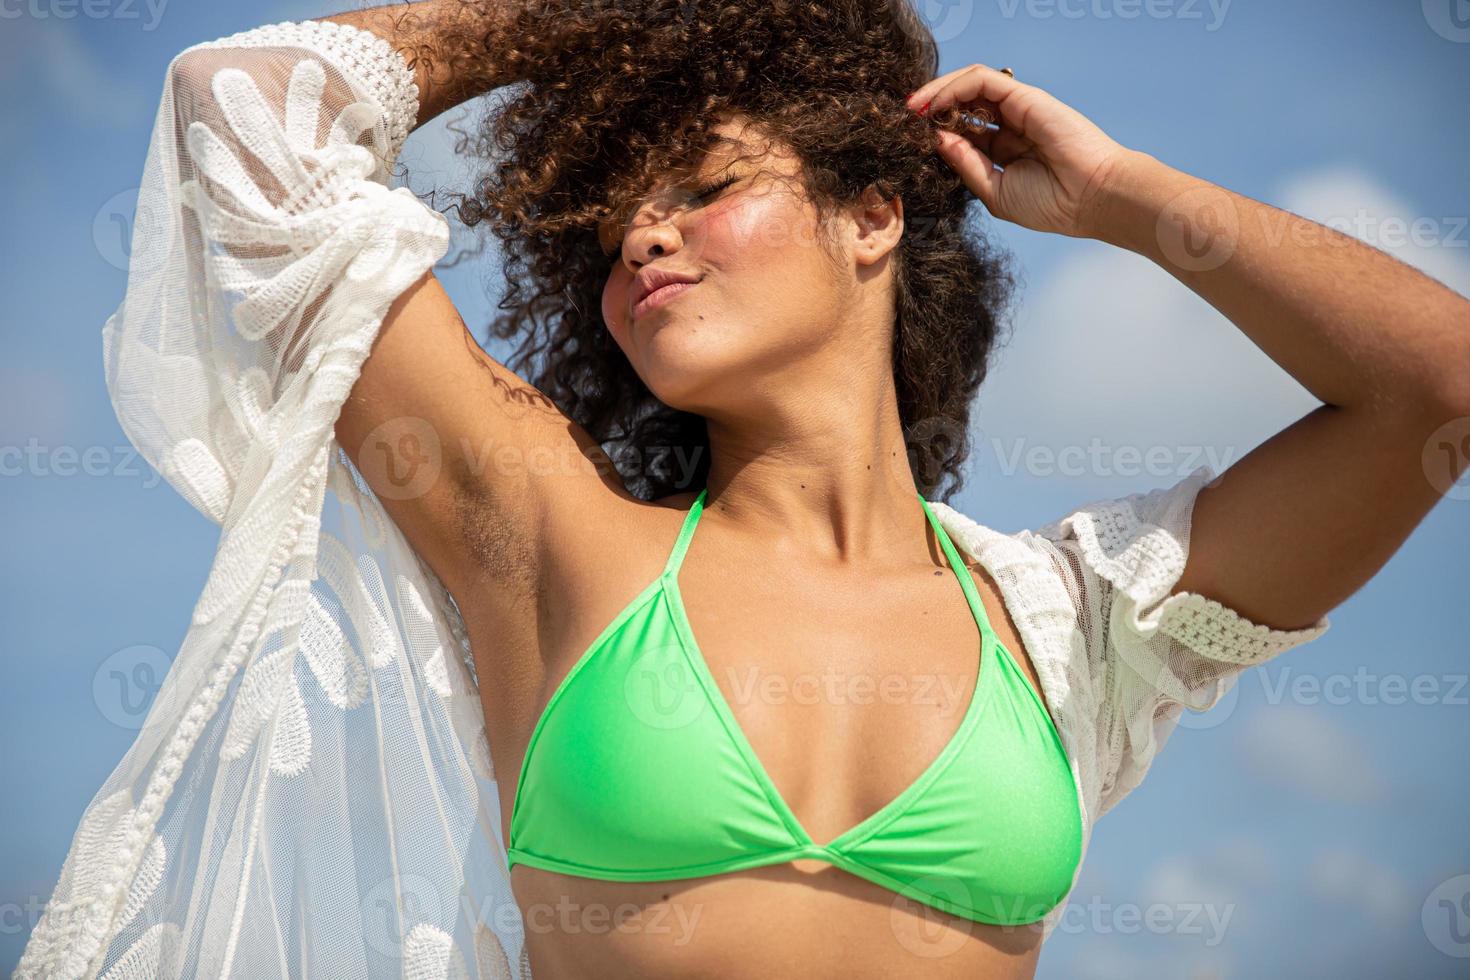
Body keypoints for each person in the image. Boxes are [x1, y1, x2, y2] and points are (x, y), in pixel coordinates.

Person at [18, 0, 1468, 977]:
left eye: (702, 184)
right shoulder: (549, 531)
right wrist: (616, 17)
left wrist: (1123, 200)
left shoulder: (1075, 623)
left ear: (873, 213)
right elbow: (243, 110)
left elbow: (1435, 391)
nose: (643, 235)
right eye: (611, 227)